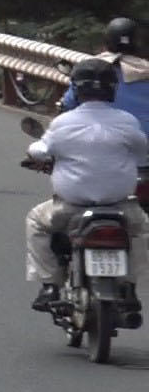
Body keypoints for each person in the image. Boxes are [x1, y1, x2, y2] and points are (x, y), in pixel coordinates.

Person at [23, 57, 149, 311]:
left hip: (71, 208)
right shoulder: (127, 121)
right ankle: (129, 287)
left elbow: (40, 151)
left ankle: (50, 286)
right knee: (141, 232)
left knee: (36, 222)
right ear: (113, 88)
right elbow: (141, 154)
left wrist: (35, 154)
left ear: (76, 89)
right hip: (120, 207)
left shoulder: (63, 123)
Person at [63, 17, 149, 132]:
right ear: (137, 43)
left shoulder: (89, 69)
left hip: (95, 136)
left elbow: (68, 104)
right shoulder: (145, 71)